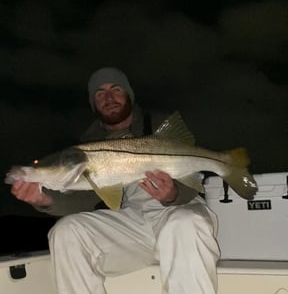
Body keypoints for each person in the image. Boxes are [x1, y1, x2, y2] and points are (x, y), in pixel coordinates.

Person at [10, 67, 220, 294]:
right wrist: (43, 199)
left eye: (115, 89)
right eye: (100, 93)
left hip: (180, 210)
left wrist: (173, 194)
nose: (108, 98)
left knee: (183, 223)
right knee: (66, 232)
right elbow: (84, 200)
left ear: (128, 94)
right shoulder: (87, 145)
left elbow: (191, 175)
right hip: (133, 221)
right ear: (94, 103)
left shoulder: (157, 124)